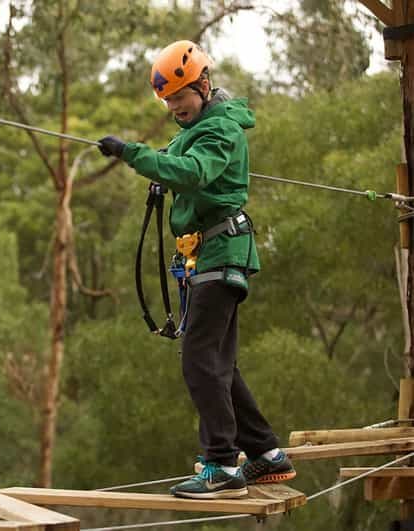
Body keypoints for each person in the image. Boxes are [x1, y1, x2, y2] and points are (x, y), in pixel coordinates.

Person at [97, 40, 295, 500]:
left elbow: (191, 172)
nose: (174, 107)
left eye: (181, 96)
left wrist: (132, 153)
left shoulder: (220, 131)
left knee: (200, 361)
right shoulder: (199, 128)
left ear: (204, 85)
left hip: (220, 253)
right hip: (206, 256)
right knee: (219, 362)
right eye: (167, 100)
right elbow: (180, 162)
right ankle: (264, 454)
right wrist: (152, 159)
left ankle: (223, 465)